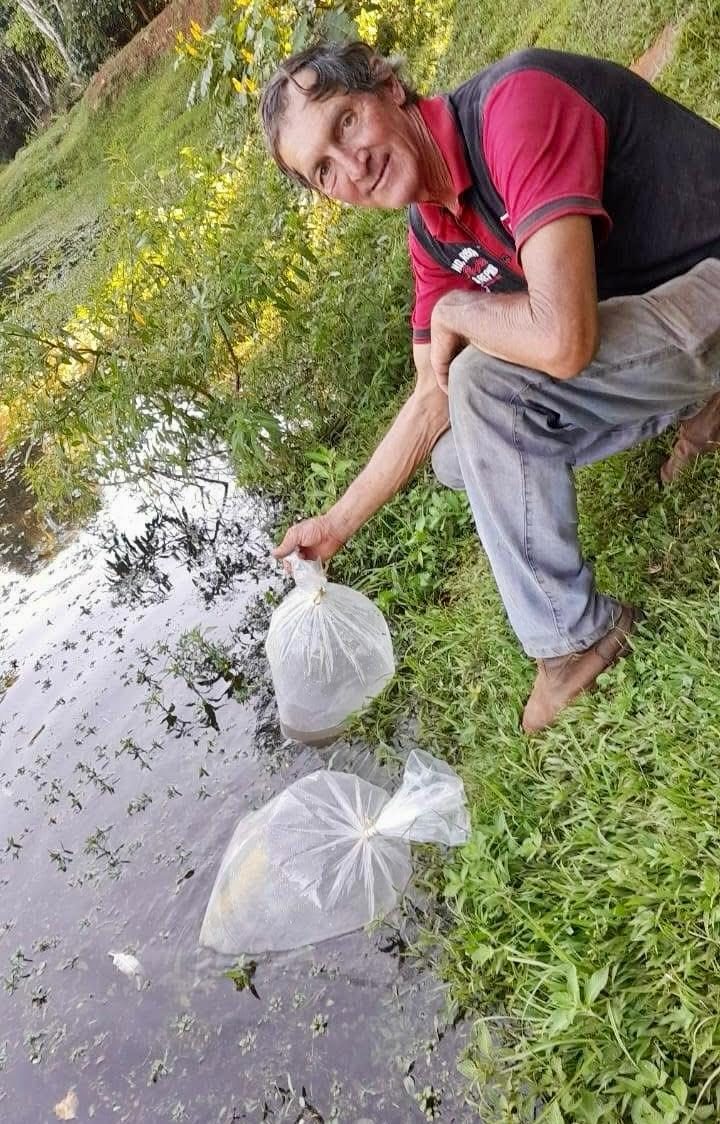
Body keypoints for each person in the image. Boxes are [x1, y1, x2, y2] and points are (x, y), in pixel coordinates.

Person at [258, 41, 720, 732]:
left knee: (485, 382)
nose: (352, 166)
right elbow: (432, 398)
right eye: (323, 170)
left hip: (707, 277)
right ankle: (701, 400)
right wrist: (335, 523)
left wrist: (457, 310)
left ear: (386, 84)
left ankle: (575, 641)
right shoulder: (433, 229)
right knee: (458, 450)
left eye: (345, 122)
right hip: (666, 319)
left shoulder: (513, 107)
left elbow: (563, 339)